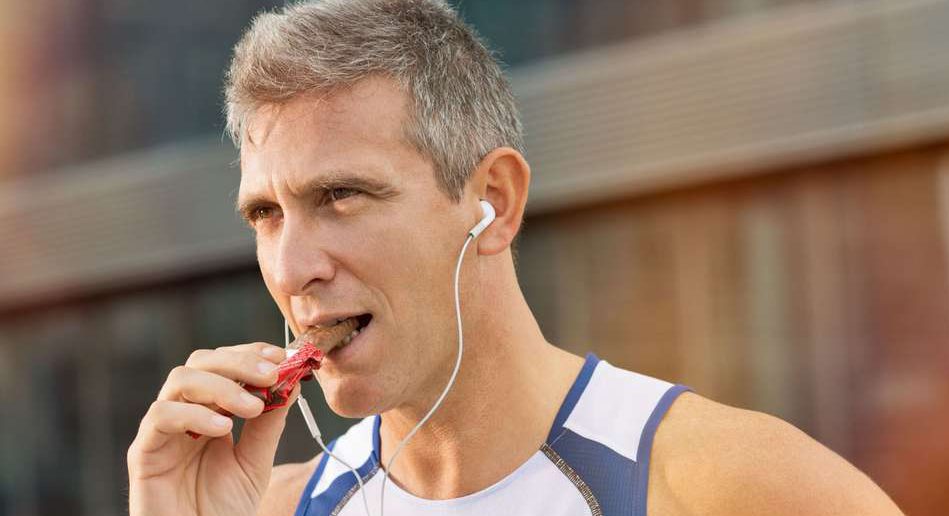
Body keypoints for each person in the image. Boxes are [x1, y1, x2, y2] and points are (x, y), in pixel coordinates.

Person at [126, 1, 905, 514]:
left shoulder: (730, 486)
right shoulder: (268, 504)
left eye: (341, 196)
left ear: (492, 198)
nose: (293, 269)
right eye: (266, 213)